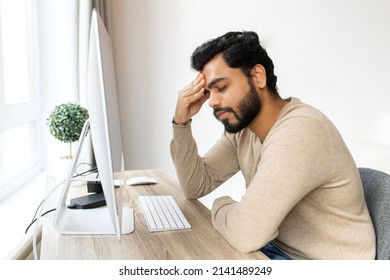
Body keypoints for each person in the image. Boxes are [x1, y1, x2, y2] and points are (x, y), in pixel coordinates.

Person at [170, 31, 375, 260]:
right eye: (208, 92)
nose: (211, 102)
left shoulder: (301, 130)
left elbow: (245, 233)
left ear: (258, 76)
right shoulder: (244, 130)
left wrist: (220, 204)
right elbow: (195, 185)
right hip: (279, 250)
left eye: (222, 87)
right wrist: (181, 122)